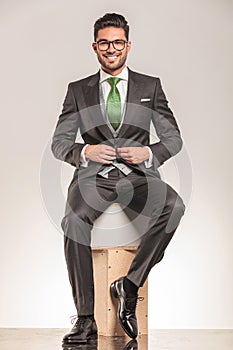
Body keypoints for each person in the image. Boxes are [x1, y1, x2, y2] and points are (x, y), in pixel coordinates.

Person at [51, 13, 185, 345]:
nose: (112, 49)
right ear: (95, 47)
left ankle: (129, 284)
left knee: (174, 206)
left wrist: (149, 153)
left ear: (128, 45)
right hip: (92, 180)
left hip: (137, 178)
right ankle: (85, 319)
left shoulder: (149, 86)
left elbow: (173, 139)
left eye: (118, 42)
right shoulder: (78, 90)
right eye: (105, 43)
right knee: (74, 222)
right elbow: (60, 143)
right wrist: (85, 152)